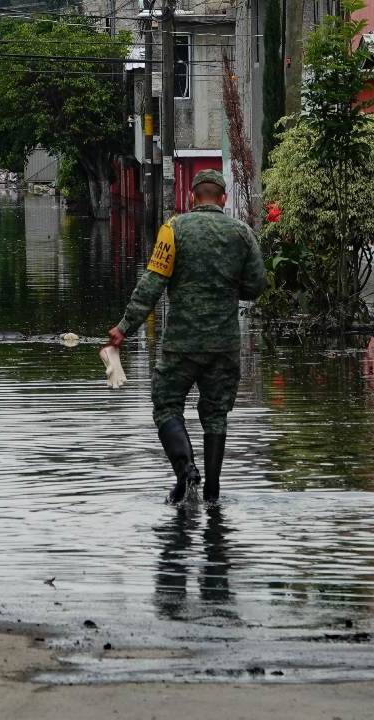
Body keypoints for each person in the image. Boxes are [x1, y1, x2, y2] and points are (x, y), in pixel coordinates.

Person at [106, 170, 266, 504]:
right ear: (223, 198)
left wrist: (124, 327)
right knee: (216, 414)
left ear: (193, 197)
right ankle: (212, 492)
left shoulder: (173, 229)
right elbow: (256, 286)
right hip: (224, 344)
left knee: (166, 405)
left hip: (182, 343)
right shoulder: (242, 234)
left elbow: (152, 284)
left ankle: (186, 470)